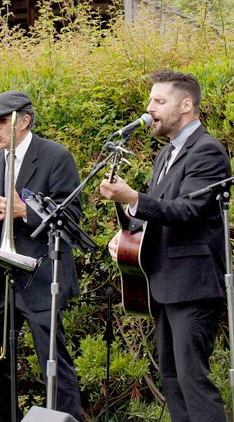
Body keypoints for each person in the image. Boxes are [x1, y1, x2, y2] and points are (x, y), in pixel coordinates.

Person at [99, 69, 231, 422]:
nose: (150, 108)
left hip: (192, 286)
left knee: (193, 382)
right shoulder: (166, 155)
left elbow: (187, 211)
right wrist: (126, 230)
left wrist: (133, 197)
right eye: (150, 100)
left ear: (186, 105)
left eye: (159, 100)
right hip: (164, 285)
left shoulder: (207, 152)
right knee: (172, 381)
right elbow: (156, 213)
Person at [0, 91, 82, 422]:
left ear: (24, 121)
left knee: (52, 356)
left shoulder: (55, 157)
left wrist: (25, 211)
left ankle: (66, 418)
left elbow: (72, 219)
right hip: (0, 276)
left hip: (42, 274)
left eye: (2, 121)